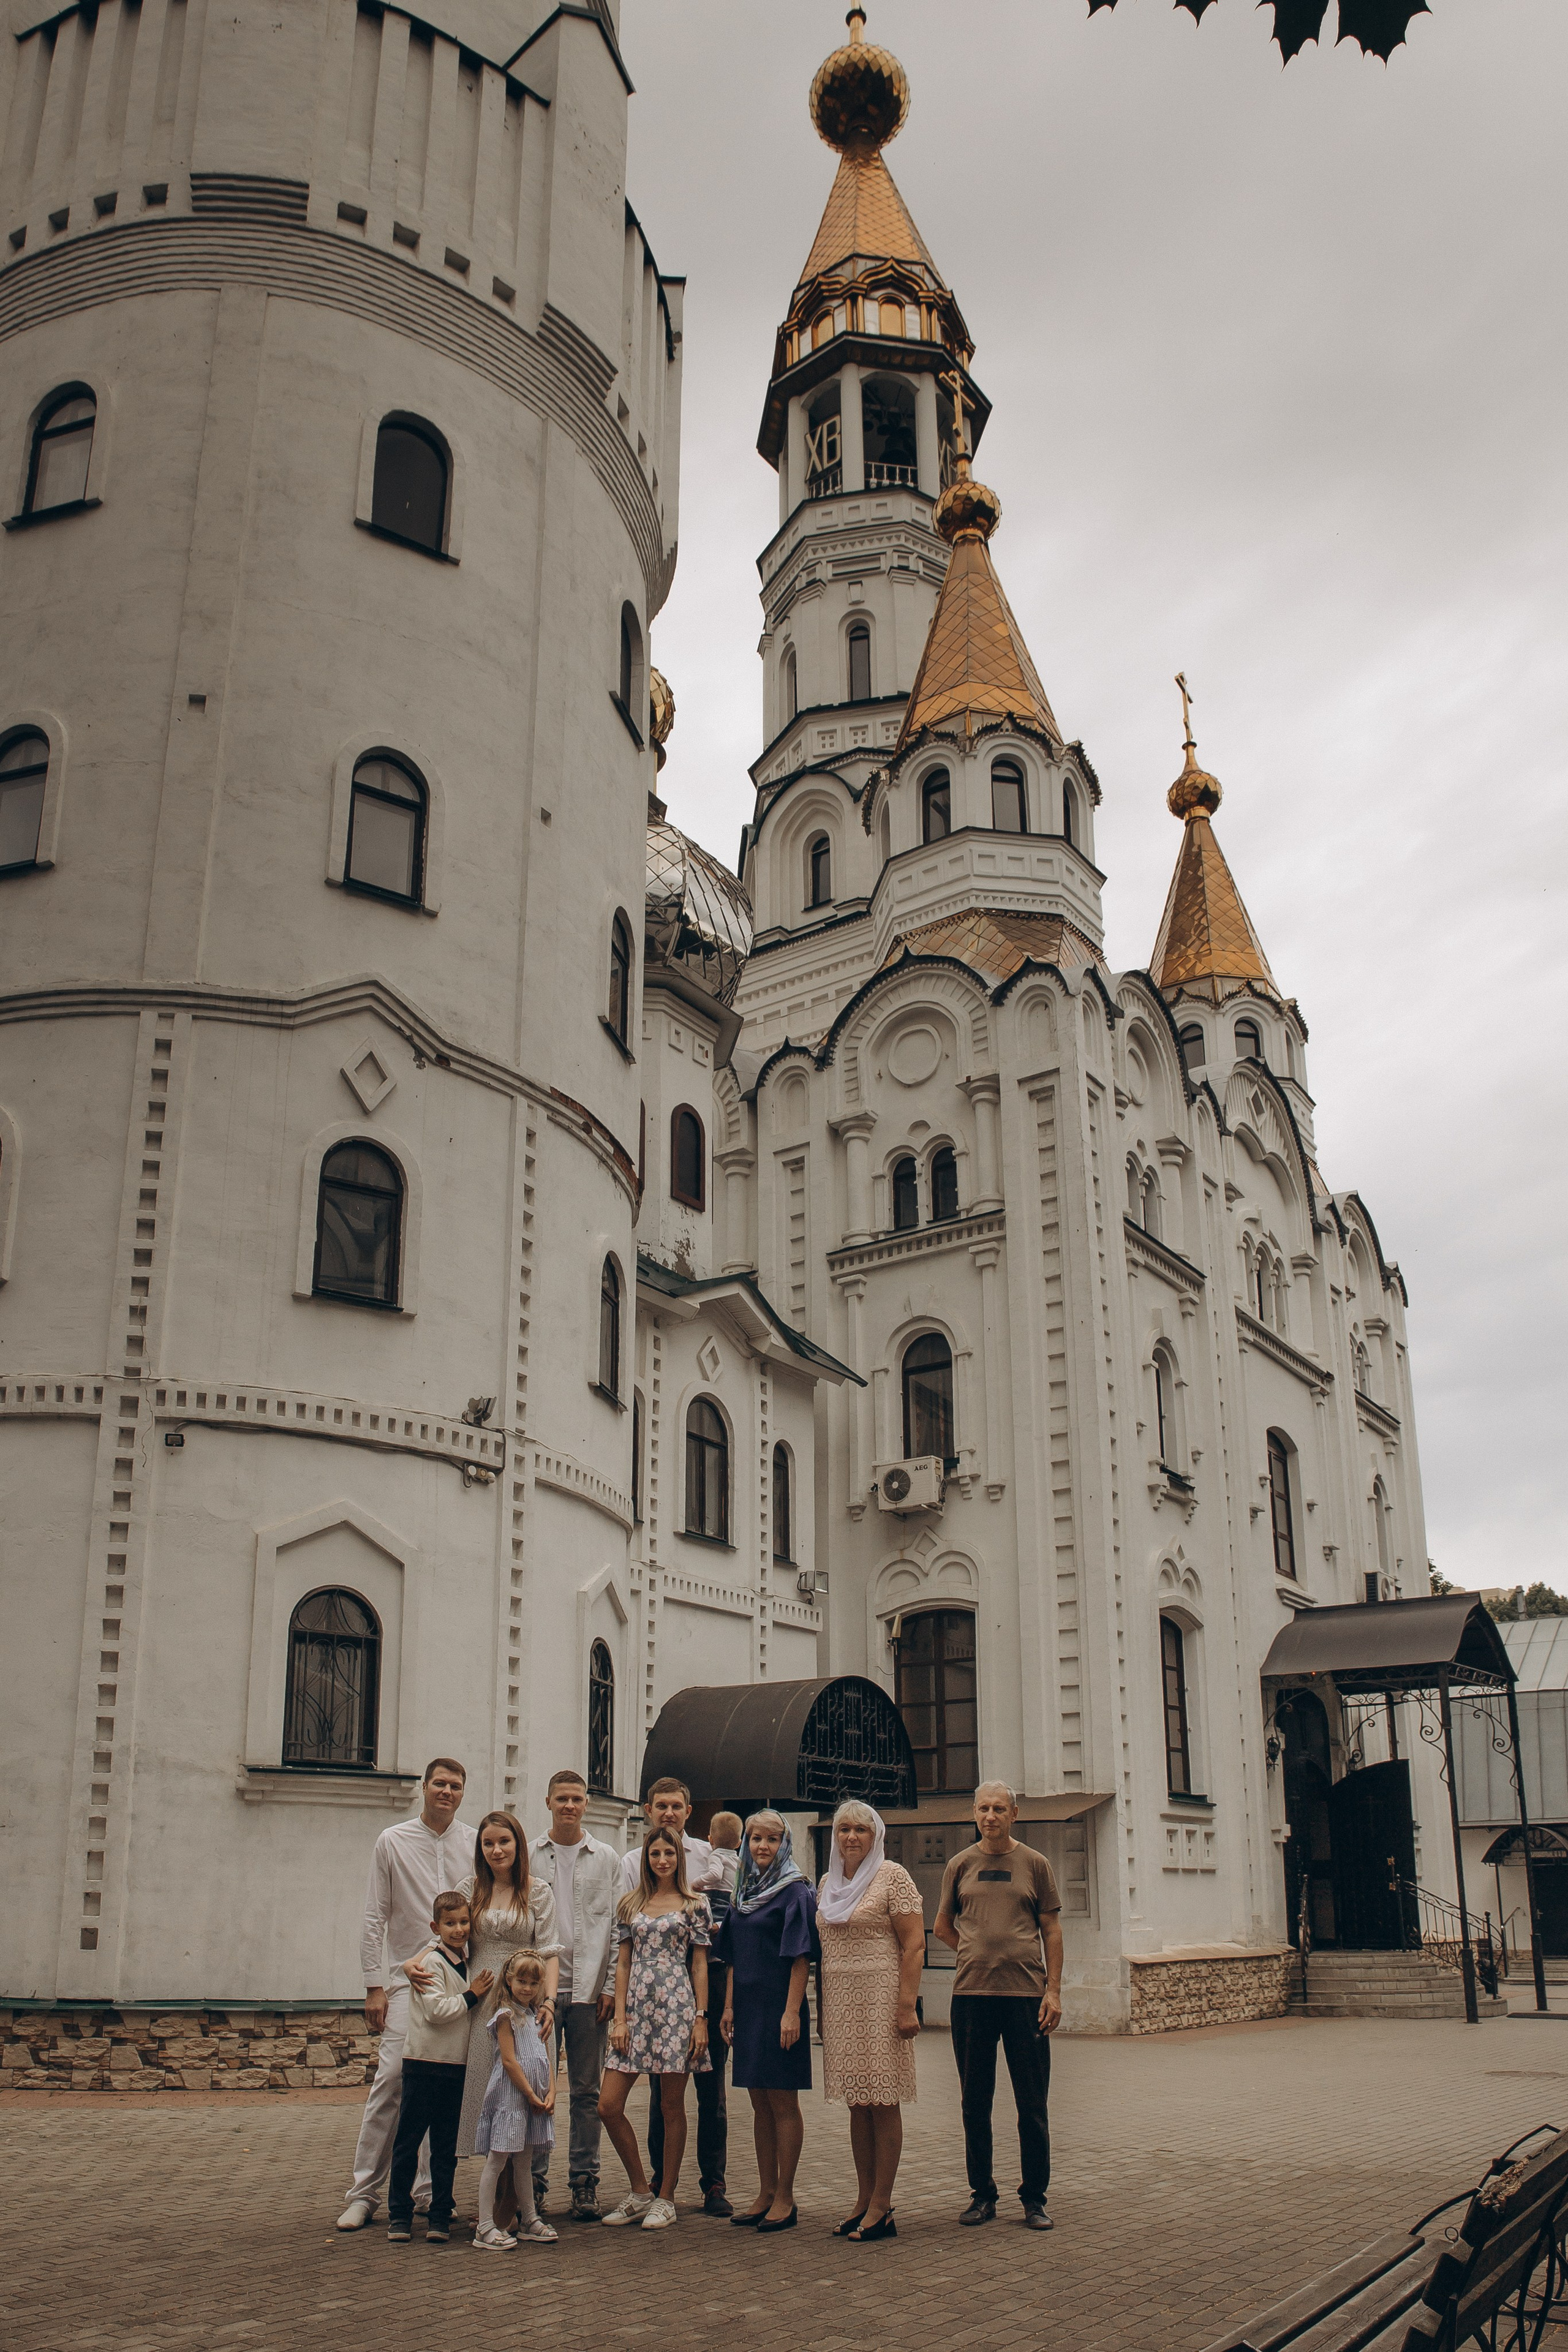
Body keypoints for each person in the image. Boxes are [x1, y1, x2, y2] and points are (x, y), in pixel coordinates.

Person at [338, 1757, 477, 2231]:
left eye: (455, 1786)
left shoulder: (474, 1842)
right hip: (404, 1981)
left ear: (463, 1792)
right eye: (439, 1783)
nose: (447, 1792)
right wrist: (374, 1984)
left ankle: (426, 2192)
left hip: (456, 1982)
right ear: (424, 1787)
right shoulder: (393, 1841)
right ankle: (363, 2193)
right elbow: (376, 1915)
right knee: (393, 2080)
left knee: (439, 2088)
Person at [933, 1781, 1063, 2233]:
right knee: (975, 2102)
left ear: (1014, 1814)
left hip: (1027, 1998)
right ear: (974, 1814)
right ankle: (982, 2194)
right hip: (972, 1997)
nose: (991, 1816)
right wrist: (975, 1949)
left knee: (1032, 2103)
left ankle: (1035, 2199)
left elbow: (1052, 1930)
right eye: (984, 1809)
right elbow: (942, 1926)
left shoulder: (1035, 1865)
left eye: (999, 1809)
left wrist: (1054, 1989)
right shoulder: (959, 1865)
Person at [409, 1811, 557, 2206]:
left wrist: (550, 2002)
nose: (496, 1850)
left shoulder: (538, 1890)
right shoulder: (470, 1888)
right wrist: (415, 1960)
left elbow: (550, 1952)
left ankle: (515, 2205)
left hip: (525, 2000)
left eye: (504, 1842)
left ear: (518, 1845)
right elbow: (448, 1933)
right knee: (489, 2097)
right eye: (488, 1843)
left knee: (522, 2091)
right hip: (479, 2000)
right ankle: (487, 2203)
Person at [619, 1777, 730, 2215]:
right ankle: (660, 2180)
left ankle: (713, 2182)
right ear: (648, 1810)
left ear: (688, 1811)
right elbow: (632, 1915)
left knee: (711, 2087)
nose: (668, 1813)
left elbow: (730, 1907)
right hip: (652, 1984)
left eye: (677, 1806)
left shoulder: (711, 1855)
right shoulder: (634, 1860)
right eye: (660, 1806)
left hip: (704, 1973)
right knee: (660, 2088)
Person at [816, 1799, 925, 2242]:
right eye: (844, 1829)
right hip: (841, 2002)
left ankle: (883, 2203)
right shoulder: (828, 1881)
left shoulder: (893, 1876)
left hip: (882, 1998)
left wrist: (906, 2005)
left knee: (883, 2100)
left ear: (875, 1835)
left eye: (861, 1829)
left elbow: (915, 1944)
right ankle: (863, 2200)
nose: (851, 1837)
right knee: (857, 2102)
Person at [597, 1826, 712, 2230]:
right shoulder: (631, 1904)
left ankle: (666, 2197)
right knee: (608, 2105)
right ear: (646, 1858)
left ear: (680, 1858)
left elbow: (699, 1964)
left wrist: (701, 2019)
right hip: (636, 2011)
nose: (662, 1860)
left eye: (669, 1853)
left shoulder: (696, 1905)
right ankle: (640, 2190)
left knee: (670, 2105)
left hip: (677, 2009)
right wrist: (620, 2018)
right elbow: (623, 1962)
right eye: (655, 1853)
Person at [717, 1811, 818, 2234]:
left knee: (782, 2102)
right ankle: (764, 2192)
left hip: (781, 2007)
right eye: (755, 1838)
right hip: (748, 2007)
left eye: (772, 1839)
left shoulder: (795, 1891)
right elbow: (734, 1958)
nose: (762, 1846)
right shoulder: (743, 1891)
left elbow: (800, 1959)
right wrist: (727, 2008)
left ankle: (786, 2197)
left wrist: (792, 2012)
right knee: (759, 2103)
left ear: (785, 1843)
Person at [529, 1768, 623, 2222]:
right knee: (538, 2088)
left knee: (586, 2093)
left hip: (589, 1995)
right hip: (539, 1996)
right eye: (562, 1798)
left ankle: (584, 2183)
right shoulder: (529, 1855)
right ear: (548, 1802)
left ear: (587, 1805)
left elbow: (619, 1928)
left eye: (577, 1799)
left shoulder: (606, 1857)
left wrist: (608, 1987)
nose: (569, 1805)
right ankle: (534, 2184)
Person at [386, 1891, 492, 2242]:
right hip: (423, 2065)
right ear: (436, 1927)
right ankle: (399, 2216)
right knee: (409, 2141)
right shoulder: (430, 1963)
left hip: (454, 2068)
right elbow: (437, 2011)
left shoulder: (467, 1958)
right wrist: (472, 1995)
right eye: (450, 1924)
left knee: (445, 2147)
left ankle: (440, 2215)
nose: (459, 1929)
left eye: (464, 1922)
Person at [472, 1951, 559, 2250]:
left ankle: (529, 2220)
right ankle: (485, 2227)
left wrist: (551, 2092)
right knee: (497, 2160)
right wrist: (532, 2094)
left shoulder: (537, 2016)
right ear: (509, 1980)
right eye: (521, 1981)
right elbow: (509, 2062)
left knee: (525, 2162)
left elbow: (546, 2058)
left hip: (533, 2102)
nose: (527, 1988)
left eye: (534, 1983)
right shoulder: (505, 2017)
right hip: (513, 2099)